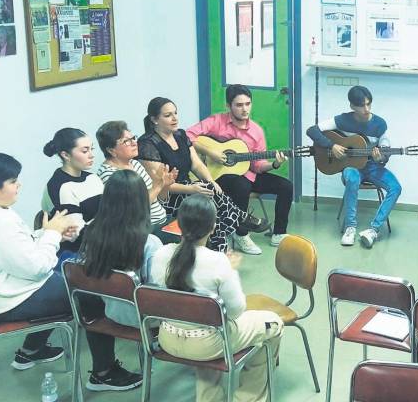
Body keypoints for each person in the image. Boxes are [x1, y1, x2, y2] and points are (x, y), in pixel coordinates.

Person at [0, 152, 142, 391]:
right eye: (12, 181)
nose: (18, 184)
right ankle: (104, 373)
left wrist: (46, 234)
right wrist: (52, 234)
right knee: (91, 293)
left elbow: (18, 251)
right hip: (14, 298)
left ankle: (31, 351)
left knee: (69, 278)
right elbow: (36, 268)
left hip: (8, 288)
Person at [151, 195, 283, 402]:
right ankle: (249, 398)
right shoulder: (218, 261)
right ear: (213, 227)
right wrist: (229, 271)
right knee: (272, 324)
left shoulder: (160, 254)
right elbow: (236, 310)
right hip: (208, 344)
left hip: (167, 337)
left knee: (209, 326)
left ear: (177, 224)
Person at [137, 97, 268, 253]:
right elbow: (162, 185)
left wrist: (211, 181)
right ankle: (238, 221)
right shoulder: (147, 144)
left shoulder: (180, 135)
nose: (174, 118)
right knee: (212, 205)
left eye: (176, 113)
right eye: (168, 115)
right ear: (154, 120)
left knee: (213, 203)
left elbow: (196, 164)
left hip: (189, 188)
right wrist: (193, 189)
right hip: (167, 196)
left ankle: (220, 250)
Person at [187, 84, 293, 254]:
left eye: (248, 104)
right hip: (218, 174)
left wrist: (275, 164)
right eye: (239, 105)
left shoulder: (256, 131)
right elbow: (187, 135)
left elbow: (258, 166)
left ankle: (279, 233)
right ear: (228, 106)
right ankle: (240, 233)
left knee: (286, 186)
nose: (245, 109)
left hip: (247, 174)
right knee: (241, 185)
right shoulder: (216, 122)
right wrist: (210, 152)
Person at [306, 85, 402, 248]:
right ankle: (350, 227)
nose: (366, 109)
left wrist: (381, 158)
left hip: (372, 166)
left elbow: (385, 148)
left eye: (369, 104)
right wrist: (332, 146)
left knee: (396, 187)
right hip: (351, 166)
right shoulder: (342, 120)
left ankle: (373, 230)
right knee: (351, 178)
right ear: (352, 106)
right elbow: (312, 130)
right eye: (362, 105)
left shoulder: (379, 124)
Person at [80, 170, 162, 328]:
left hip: (111, 312)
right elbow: (156, 291)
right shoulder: (150, 242)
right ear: (142, 201)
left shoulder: (93, 233)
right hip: (147, 318)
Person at [96, 121, 178, 243]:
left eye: (133, 138)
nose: (135, 142)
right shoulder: (110, 175)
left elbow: (159, 199)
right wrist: (158, 185)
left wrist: (165, 185)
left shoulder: (134, 163)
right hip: (143, 230)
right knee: (190, 239)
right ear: (111, 150)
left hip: (163, 220)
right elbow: (135, 208)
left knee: (197, 226)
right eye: (126, 141)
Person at [42, 128, 103, 255]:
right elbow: (77, 236)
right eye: (85, 151)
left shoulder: (93, 178)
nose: (91, 155)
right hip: (79, 252)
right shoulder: (60, 186)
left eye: (92, 149)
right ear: (65, 155)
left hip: (102, 239)